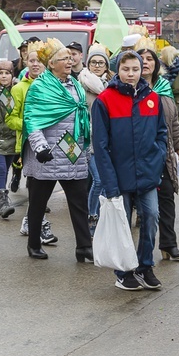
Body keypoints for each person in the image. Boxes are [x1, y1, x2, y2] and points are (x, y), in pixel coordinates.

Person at [91, 50, 167, 291]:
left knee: (151, 216)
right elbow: (100, 146)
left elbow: (161, 133)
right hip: (119, 174)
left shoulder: (153, 98)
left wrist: (158, 157)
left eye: (135, 69)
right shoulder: (105, 100)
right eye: (126, 69)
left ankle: (145, 265)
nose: (131, 74)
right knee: (122, 223)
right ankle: (124, 271)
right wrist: (109, 182)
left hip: (147, 173)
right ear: (117, 71)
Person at [22, 38, 92, 261]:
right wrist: (40, 148)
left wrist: (86, 145)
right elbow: (31, 119)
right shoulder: (39, 87)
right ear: (51, 64)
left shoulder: (76, 85)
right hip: (48, 155)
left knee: (79, 202)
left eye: (71, 58)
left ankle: (84, 247)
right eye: (64, 58)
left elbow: (82, 115)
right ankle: (33, 243)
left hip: (73, 152)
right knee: (38, 203)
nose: (70, 61)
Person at [136, 37, 179, 260]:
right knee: (140, 207)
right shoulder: (130, 89)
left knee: (167, 198)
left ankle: (169, 244)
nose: (146, 62)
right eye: (142, 59)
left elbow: (173, 121)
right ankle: (136, 252)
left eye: (150, 59)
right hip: (138, 154)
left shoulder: (164, 88)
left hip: (163, 153)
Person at [4, 41, 56, 242]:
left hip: (49, 145)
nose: (35, 64)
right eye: (31, 61)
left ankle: (29, 220)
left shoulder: (53, 85)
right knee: (35, 187)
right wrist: (30, 126)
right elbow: (10, 118)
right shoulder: (18, 89)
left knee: (41, 188)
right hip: (27, 145)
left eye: (38, 61)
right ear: (25, 62)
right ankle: (40, 225)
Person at [78, 42, 113, 235]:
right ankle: (92, 216)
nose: (97, 66)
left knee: (102, 181)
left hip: (106, 139)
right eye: (94, 62)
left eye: (101, 63)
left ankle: (101, 216)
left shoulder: (110, 86)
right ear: (88, 64)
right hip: (88, 139)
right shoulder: (83, 83)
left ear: (106, 66)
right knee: (98, 180)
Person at [0, 60, 17, 219]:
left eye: (7, 73)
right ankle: (3, 202)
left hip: (11, 137)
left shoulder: (15, 92)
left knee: (5, 170)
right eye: (1, 73)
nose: (4, 76)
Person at [159, 45, 179, 110]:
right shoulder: (158, 69)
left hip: (178, 108)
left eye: (162, 55)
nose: (160, 57)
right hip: (161, 106)